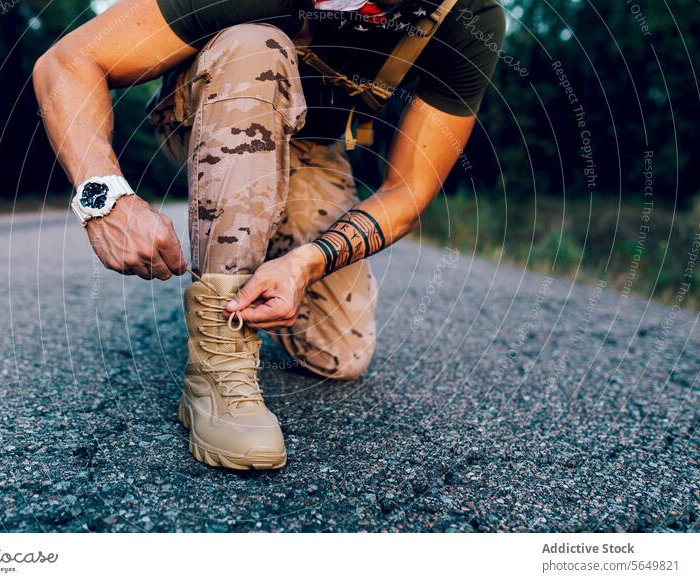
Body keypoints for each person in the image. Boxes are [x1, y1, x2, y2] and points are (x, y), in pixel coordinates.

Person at [33, 0, 505, 470]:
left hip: (308, 148)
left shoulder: (468, 18)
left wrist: (307, 262)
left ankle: (258, 251)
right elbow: (67, 61)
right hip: (209, 105)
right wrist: (106, 198)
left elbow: (408, 192)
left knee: (339, 354)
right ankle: (218, 362)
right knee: (255, 46)